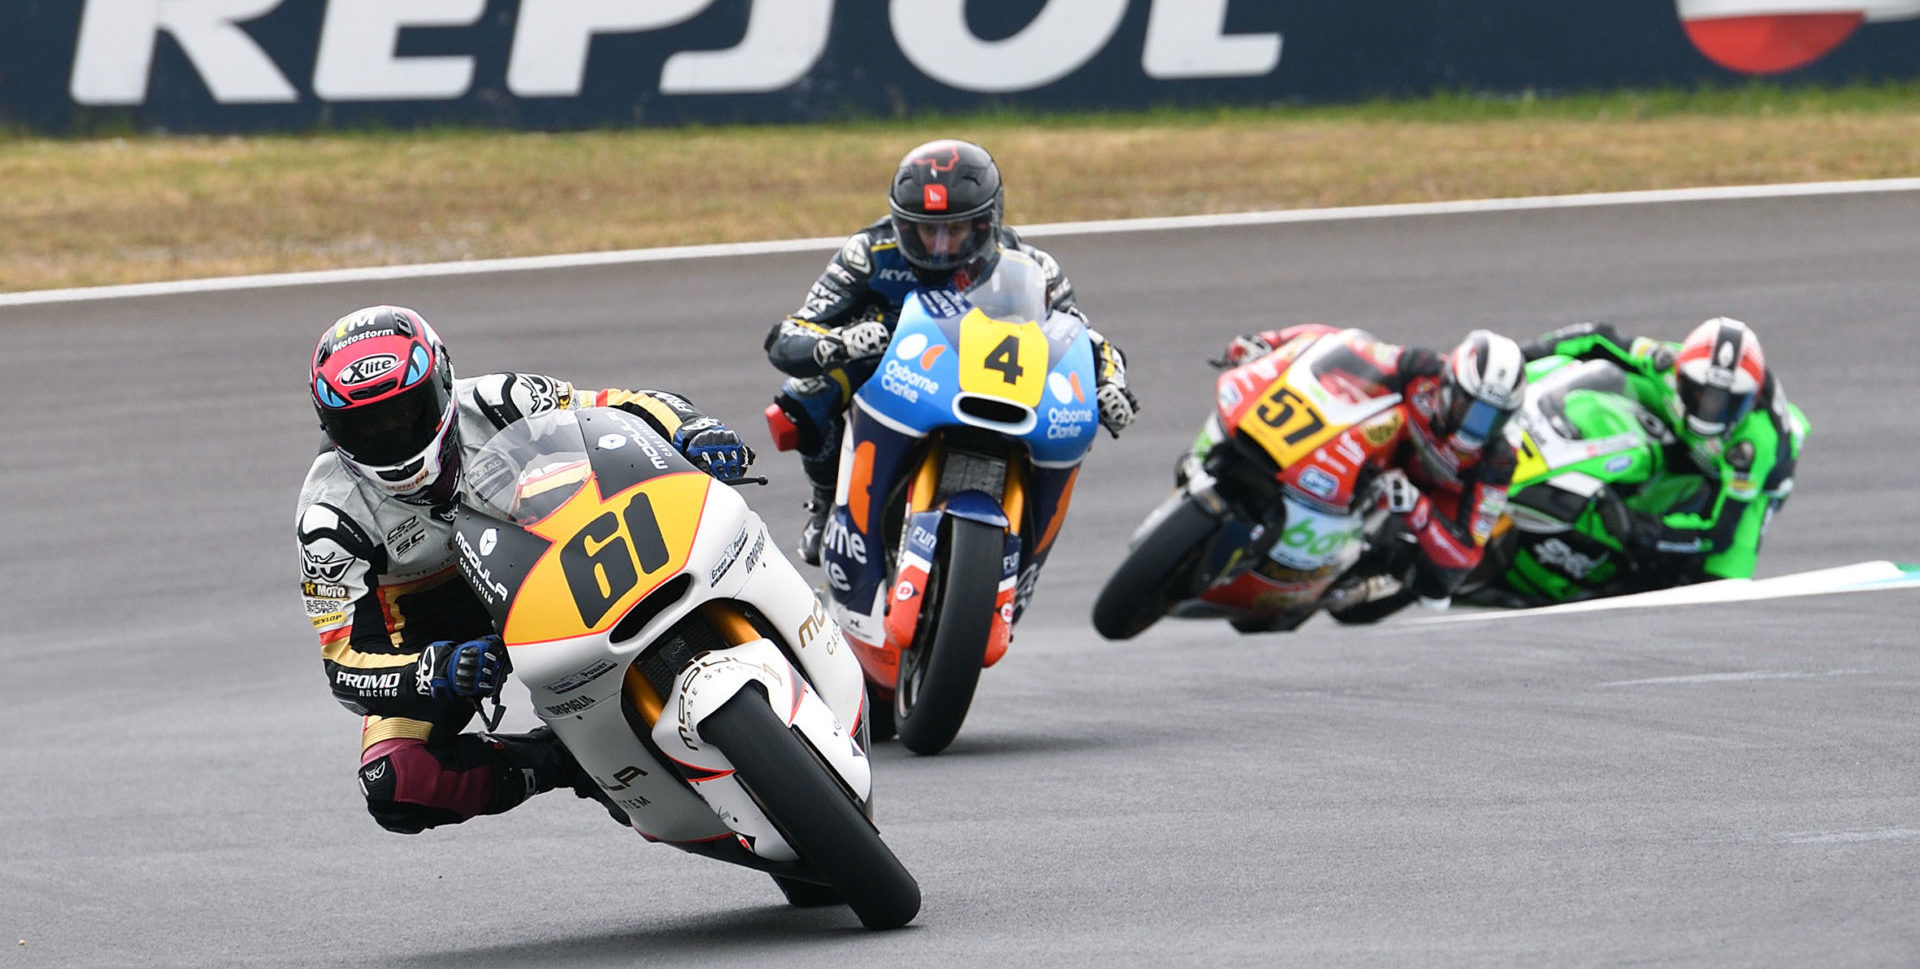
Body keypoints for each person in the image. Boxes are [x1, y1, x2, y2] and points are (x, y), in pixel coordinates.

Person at [296, 305, 753, 834]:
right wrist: (431, 669)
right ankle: (566, 760)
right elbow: (343, 663)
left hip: (552, 562)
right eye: (366, 425)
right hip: (443, 637)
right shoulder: (327, 517)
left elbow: (616, 409)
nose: (391, 433)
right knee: (394, 782)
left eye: (406, 412)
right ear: (329, 425)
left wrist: (693, 429)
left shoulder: (498, 400)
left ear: (442, 385)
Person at [764, 138, 1138, 564]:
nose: (940, 246)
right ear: (903, 224)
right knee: (802, 391)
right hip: (891, 369)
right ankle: (826, 501)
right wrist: (839, 343)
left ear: (985, 224)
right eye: (926, 230)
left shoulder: (1031, 265)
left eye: (954, 230)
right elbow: (790, 332)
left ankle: (1023, 544)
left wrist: (1110, 383)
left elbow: (1080, 336)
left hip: (988, 376)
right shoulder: (869, 253)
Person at [1215, 324, 1526, 625]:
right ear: (1449, 386)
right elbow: (1342, 343)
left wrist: (1416, 508)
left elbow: (1467, 552)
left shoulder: (1496, 459)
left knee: (1442, 582)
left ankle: (1376, 572)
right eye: (1471, 408)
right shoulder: (1421, 368)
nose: (1478, 427)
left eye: (1494, 418)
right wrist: (1272, 342)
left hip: (1432, 494)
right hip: (1385, 452)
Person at [1519, 317, 1807, 582]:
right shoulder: (1664, 362)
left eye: (1725, 403)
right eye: (1701, 394)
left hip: (1742, 481)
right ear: (1680, 376)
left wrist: (1645, 531)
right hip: (1677, 422)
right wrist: (1520, 358)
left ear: (1751, 400)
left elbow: (1720, 533)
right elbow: (1596, 337)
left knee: (1719, 588)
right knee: (1605, 385)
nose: (1710, 410)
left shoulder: (1754, 444)